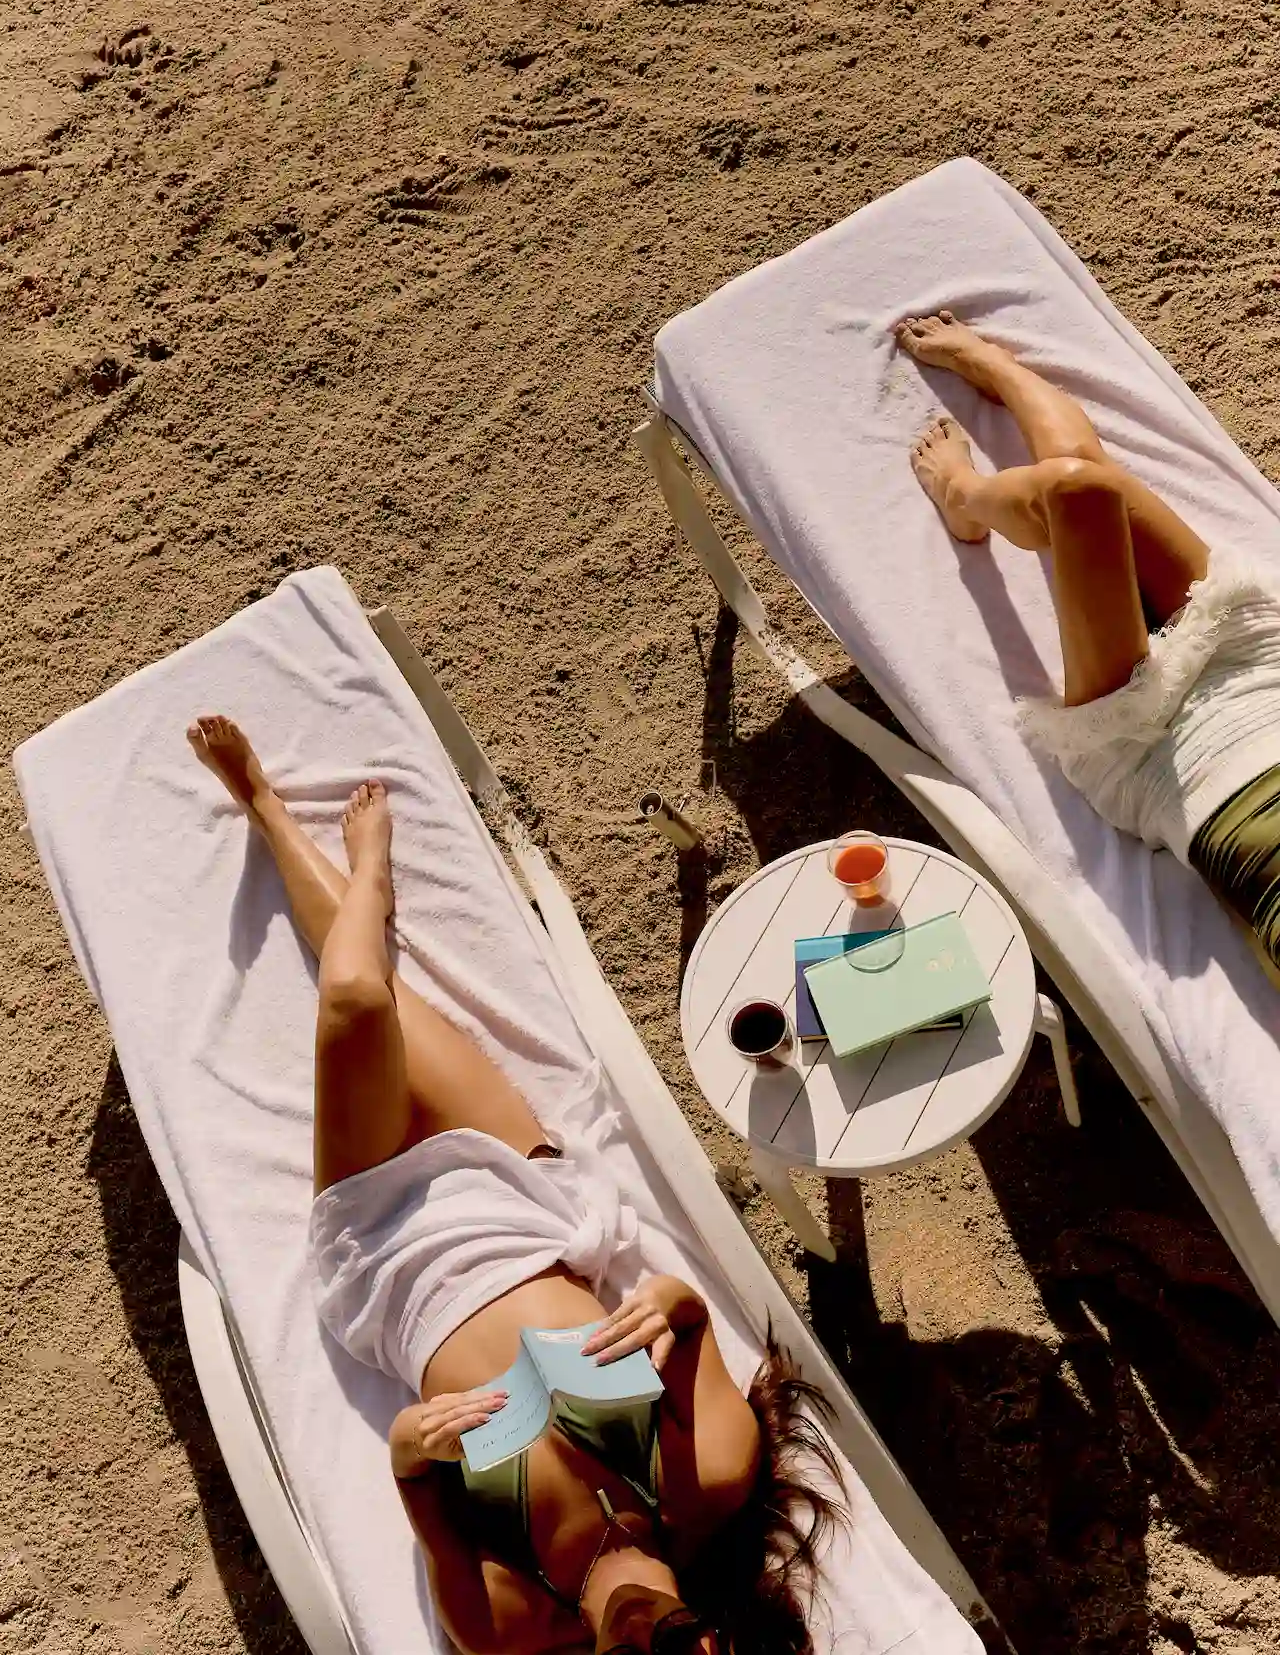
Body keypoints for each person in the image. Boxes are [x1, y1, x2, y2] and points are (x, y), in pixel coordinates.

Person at [186, 716, 845, 1655]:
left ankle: (269, 805)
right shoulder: (714, 1477)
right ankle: (352, 867)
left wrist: (417, 1443)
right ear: (718, 1645)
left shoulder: (509, 1621)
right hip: (517, 1195)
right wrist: (663, 1302)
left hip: (388, 1253)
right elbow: (688, 1316)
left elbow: (413, 1474)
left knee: (356, 1002)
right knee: (379, 1000)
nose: (642, 1640)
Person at [897, 311, 1280, 974]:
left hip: (1161, 755)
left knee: (1081, 493)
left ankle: (962, 493)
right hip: (1261, 670)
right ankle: (996, 368)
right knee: (1089, 478)